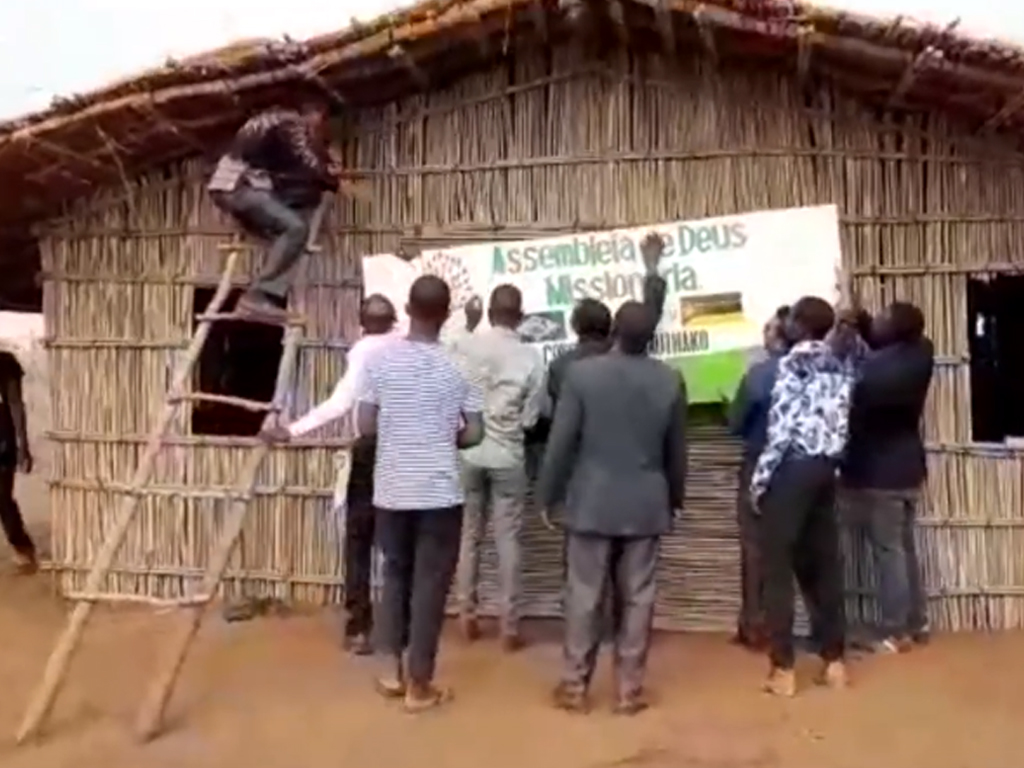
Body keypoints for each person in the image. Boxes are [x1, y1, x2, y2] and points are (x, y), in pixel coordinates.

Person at [538, 300, 687, 715]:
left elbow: (561, 444)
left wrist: (548, 495)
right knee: (639, 596)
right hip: (646, 502)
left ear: (615, 332)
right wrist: (674, 498)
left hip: (590, 500)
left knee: (584, 594)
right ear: (651, 338)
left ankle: (574, 686)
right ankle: (628, 691)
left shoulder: (582, 375)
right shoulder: (669, 380)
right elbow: (677, 452)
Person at [356, 275, 484, 712]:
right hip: (439, 494)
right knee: (429, 588)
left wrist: (402, 429)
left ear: (407, 310)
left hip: (391, 490)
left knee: (394, 576)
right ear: (446, 316)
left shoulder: (381, 362)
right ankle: (419, 686)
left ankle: (391, 673)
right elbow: (474, 435)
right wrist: (444, 435)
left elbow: (366, 426)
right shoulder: (461, 367)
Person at [262, 294, 400, 654]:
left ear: (362, 323)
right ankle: (399, 628)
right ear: (394, 321)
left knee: (359, 538)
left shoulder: (364, 352)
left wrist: (292, 429)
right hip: (406, 452)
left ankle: (359, 627)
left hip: (372, 451)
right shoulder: (408, 348)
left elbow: (339, 405)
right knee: (400, 539)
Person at [751, 297, 860, 697]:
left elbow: (780, 432)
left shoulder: (792, 364)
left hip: (792, 471)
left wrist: (760, 481)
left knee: (776, 570)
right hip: (825, 470)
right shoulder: (842, 362)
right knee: (824, 567)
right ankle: (835, 664)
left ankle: (782, 670)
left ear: (798, 325)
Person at [449, 285, 545, 650]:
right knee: (508, 539)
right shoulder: (531, 358)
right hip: (507, 455)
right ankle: (509, 625)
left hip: (470, 453)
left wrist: (469, 324)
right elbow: (531, 417)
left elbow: (450, 351)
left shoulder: (464, 344)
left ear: (489, 313)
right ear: (519, 317)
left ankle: (466, 614)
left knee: (469, 534)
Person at [842, 301, 934, 652]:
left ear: (895, 332)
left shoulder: (874, 375)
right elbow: (882, 345)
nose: (876, 319)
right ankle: (917, 622)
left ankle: (894, 630)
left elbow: (854, 386)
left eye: (882, 318)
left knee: (888, 552)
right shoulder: (922, 351)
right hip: (908, 466)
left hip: (880, 472)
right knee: (904, 548)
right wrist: (865, 322)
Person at [207, 97, 340, 321]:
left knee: (285, 232)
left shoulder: (271, 121)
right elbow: (305, 159)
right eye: (323, 119)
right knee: (296, 229)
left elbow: (293, 172)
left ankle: (261, 296)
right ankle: (257, 298)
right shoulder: (289, 121)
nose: (322, 126)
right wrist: (332, 179)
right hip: (240, 186)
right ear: (315, 112)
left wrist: (324, 167)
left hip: (234, 185)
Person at [727, 305, 790, 651]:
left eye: (767, 329)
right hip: (801, 470)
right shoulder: (815, 372)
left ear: (779, 335)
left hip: (759, 466)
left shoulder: (758, 376)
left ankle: (754, 626)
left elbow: (736, 422)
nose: (763, 335)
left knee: (754, 548)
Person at [0, 349, 36, 573]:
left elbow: (15, 404)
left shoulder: (5, 363)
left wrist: (23, 446)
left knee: (2, 497)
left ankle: (23, 547)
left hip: (2, 442)